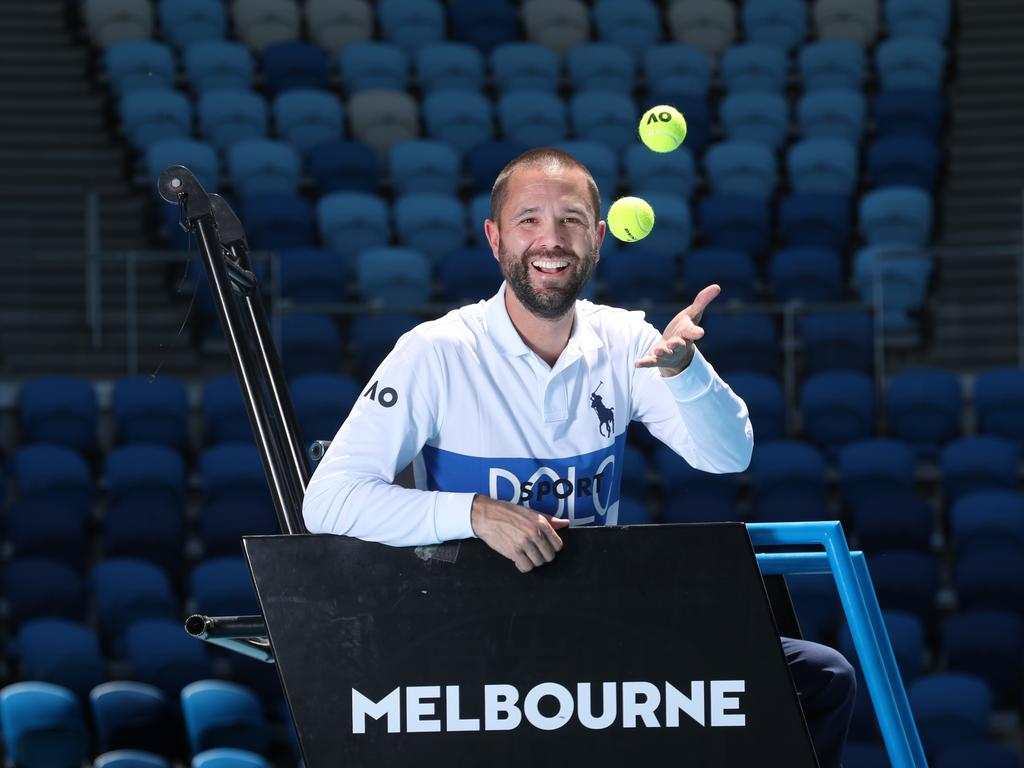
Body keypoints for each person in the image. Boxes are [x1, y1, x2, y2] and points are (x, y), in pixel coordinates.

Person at [302, 148, 855, 767]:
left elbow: (728, 455)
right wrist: (476, 512)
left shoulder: (627, 341)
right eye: (529, 220)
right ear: (495, 238)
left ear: (596, 239)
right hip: (473, 635)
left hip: (598, 623)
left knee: (819, 678)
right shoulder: (434, 352)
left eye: (569, 221)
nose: (551, 239)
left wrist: (685, 372)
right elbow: (328, 501)